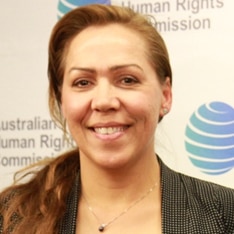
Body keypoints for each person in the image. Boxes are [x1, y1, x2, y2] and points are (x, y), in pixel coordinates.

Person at [0, 4, 234, 234]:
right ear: (61, 100)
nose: (103, 101)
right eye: (83, 82)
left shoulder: (225, 215)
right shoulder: (11, 216)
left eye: (127, 80)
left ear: (165, 95)